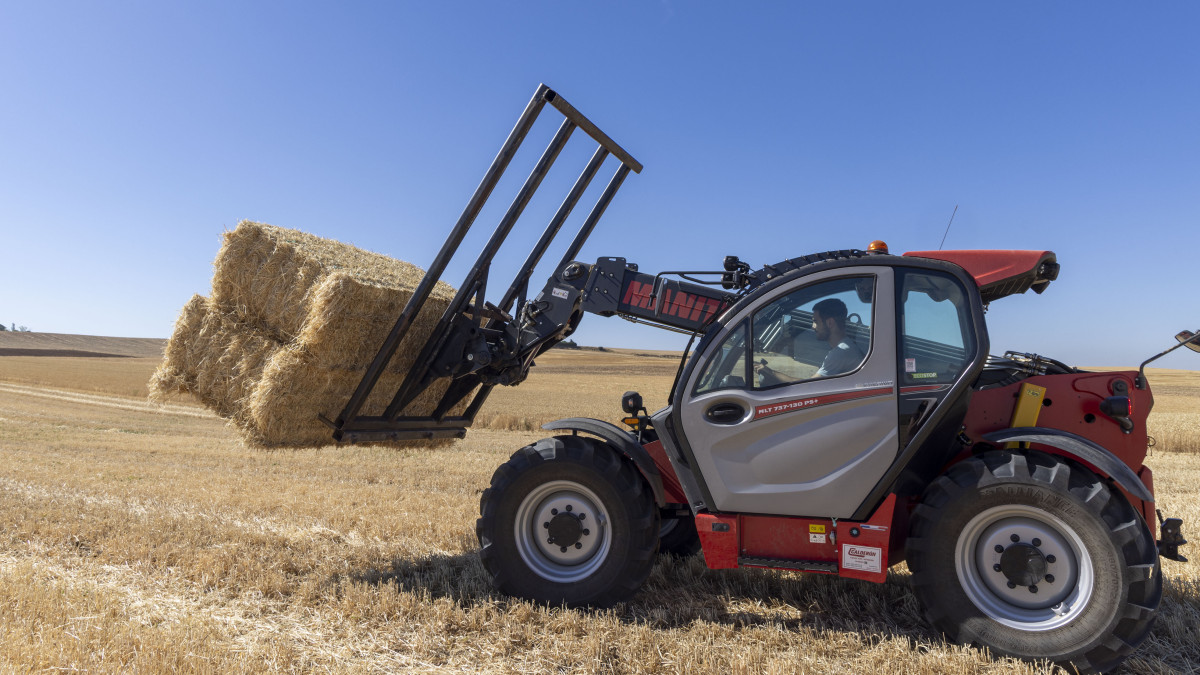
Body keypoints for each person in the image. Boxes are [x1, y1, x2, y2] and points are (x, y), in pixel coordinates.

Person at [755, 297, 865, 384]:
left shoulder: (840, 353)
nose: (813, 326)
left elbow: (809, 386)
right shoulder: (846, 347)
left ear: (830, 323)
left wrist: (770, 372)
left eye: (816, 321)